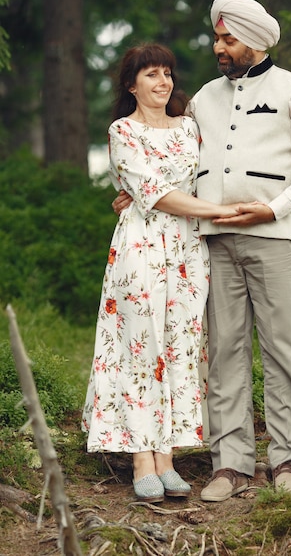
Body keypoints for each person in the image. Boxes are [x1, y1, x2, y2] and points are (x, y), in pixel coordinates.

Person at [113, 0, 291, 502]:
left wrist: (276, 207)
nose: (219, 47)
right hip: (209, 244)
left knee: (283, 351)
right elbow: (175, 160)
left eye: (228, 40)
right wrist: (133, 190)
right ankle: (230, 465)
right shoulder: (202, 100)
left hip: (275, 238)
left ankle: (286, 461)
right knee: (224, 354)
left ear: (253, 42)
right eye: (217, 38)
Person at [81, 43, 245, 504]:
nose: (163, 82)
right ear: (131, 84)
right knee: (139, 345)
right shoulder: (122, 130)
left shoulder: (189, 127)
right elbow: (154, 192)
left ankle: (168, 456)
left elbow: (207, 174)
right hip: (141, 246)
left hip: (189, 249)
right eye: (151, 74)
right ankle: (140, 458)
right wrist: (219, 210)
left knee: (179, 344)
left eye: (167, 73)